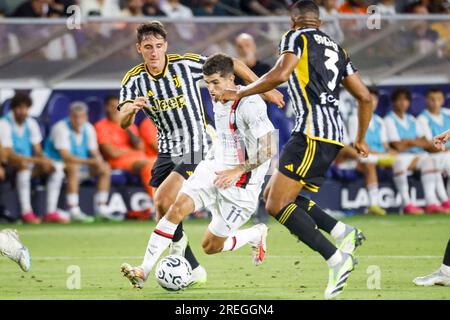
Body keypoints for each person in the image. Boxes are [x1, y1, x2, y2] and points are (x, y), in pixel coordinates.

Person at [219, 0, 371, 299]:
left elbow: (280, 73)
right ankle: (343, 233)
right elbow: (365, 97)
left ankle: (336, 259)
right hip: (331, 134)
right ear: (321, 22)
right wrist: (361, 138)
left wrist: (240, 91)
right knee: (275, 196)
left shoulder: (295, 37)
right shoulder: (338, 50)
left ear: (293, 21)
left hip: (311, 132)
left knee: (276, 205)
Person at [117, 21, 283, 288]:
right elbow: (123, 119)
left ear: (166, 46)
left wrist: (264, 87)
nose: (154, 52)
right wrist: (130, 111)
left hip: (199, 146)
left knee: (166, 199)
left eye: (159, 46)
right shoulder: (134, 80)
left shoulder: (184, 65)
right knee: (163, 206)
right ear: (139, 49)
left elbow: (230, 62)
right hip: (168, 150)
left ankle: (166, 265)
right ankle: (181, 268)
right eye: (148, 47)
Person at [0, 93, 67, 224]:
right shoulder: (4, 124)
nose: (23, 111)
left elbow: (37, 150)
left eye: (25, 108)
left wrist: (45, 161)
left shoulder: (31, 123)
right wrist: (38, 161)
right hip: (9, 164)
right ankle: (26, 212)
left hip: (28, 162)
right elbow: (9, 154)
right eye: (19, 108)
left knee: (56, 169)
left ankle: (50, 212)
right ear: (13, 109)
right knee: (23, 167)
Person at [44, 101, 113, 222]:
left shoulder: (88, 128)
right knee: (73, 167)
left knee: (104, 168)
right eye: (75, 117)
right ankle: (73, 209)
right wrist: (91, 162)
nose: (78, 120)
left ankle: (101, 207)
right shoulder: (61, 128)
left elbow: (94, 152)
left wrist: (99, 161)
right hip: (57, 165)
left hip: (80, 164)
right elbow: (66, 157)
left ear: (86, 116)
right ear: (70, 116)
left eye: (81, 117)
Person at [384, 88, 447, 214]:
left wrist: (409, 141)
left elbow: (427, 143)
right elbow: (398, 146)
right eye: (399, 100)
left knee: (431, 159)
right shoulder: (389, 119)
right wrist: (416, 142)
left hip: (416, 155)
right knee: (400, 163)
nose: (403, 103)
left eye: (406, 100)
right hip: (401, 156)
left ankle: (432, 202)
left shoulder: (412, 119)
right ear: (393, 103)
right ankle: (406, 203)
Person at [347, 87, 397, 216]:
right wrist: (381, 156)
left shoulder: (380, 121)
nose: (372, 102)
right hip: (361, 157)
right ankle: (374, 204)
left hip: (379, 157)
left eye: (374, 100)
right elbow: (356, 145)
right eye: (369, 99)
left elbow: (386, 146)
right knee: (369, 163)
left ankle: (407, 202)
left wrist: (391, 152)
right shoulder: (354, 119)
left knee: (400, 161)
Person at [95, 95, 155, 198]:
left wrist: (124, 126)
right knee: (149, 166)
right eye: (113, 106)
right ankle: (157, 203)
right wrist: (131, 151)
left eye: (119, 107)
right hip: (118, 162)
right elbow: (112, 153)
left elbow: (140, 147)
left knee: (164, 165)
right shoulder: (101, 126)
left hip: (140, 158)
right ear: (106, 108)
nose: (116, 110)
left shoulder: (129, 124)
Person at [417, 88, 450, 209]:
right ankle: (442, 201)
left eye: (438, 99)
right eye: (432, 99)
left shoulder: (448, 113)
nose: (435, 102)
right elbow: (430, 145)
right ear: (426, 100)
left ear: (443, 100)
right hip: (435, 154)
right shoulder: (423, 119)